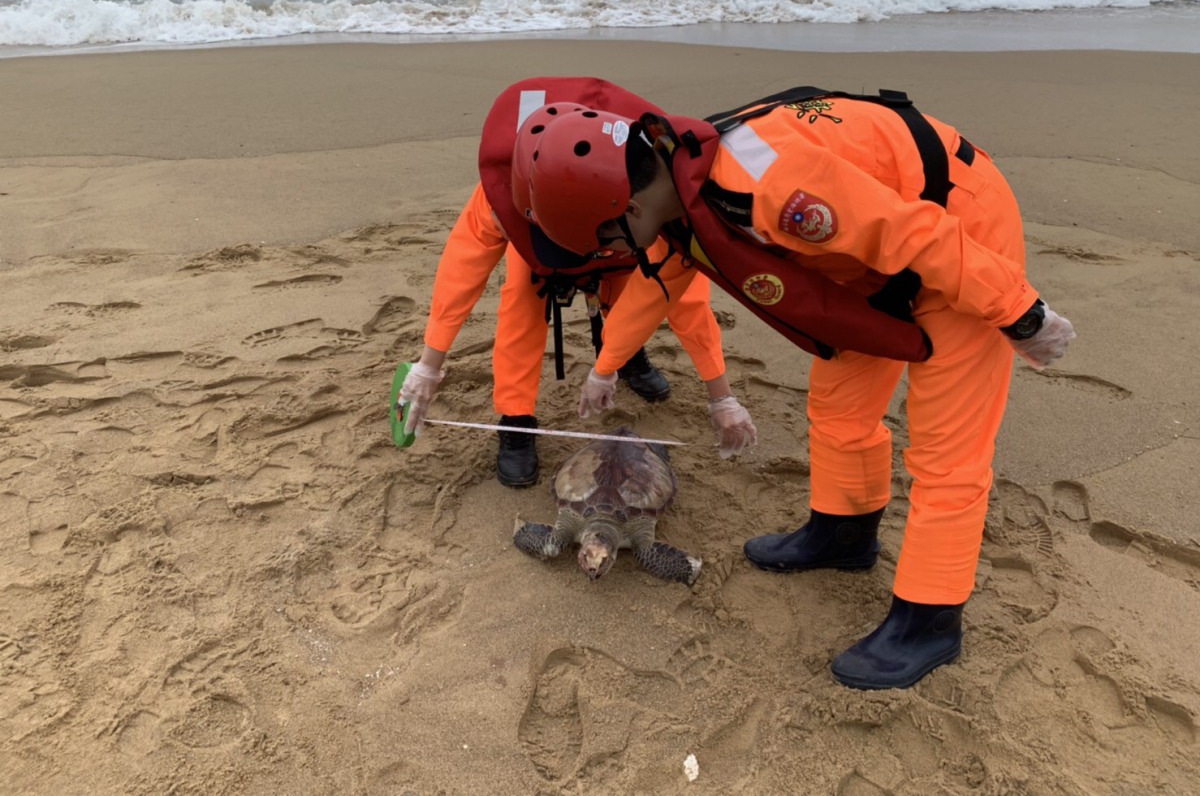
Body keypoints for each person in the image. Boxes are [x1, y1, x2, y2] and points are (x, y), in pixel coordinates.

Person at [520, 78, 1076, 690]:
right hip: (874, 263)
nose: (610, 256)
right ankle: (842, 534)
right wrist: (605, 368)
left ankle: (930, 620)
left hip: (960, 237)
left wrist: (1020, 311)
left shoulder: (770, 187)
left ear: (626, 211)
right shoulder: (674, 177)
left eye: (603, 244)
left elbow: (910, 232)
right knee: (839, 405)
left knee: (947, 451)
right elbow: (665, 279)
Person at [398, 78, 758, 488]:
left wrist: (721, 394)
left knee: (629, 292)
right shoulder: (501, 197)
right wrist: (429, 365)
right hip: (545, 235)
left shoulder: (659, 199)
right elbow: (461, 273)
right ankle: (516, 421)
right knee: (521, 301)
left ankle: (627, 355)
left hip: (625, 238)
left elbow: (681, 298)